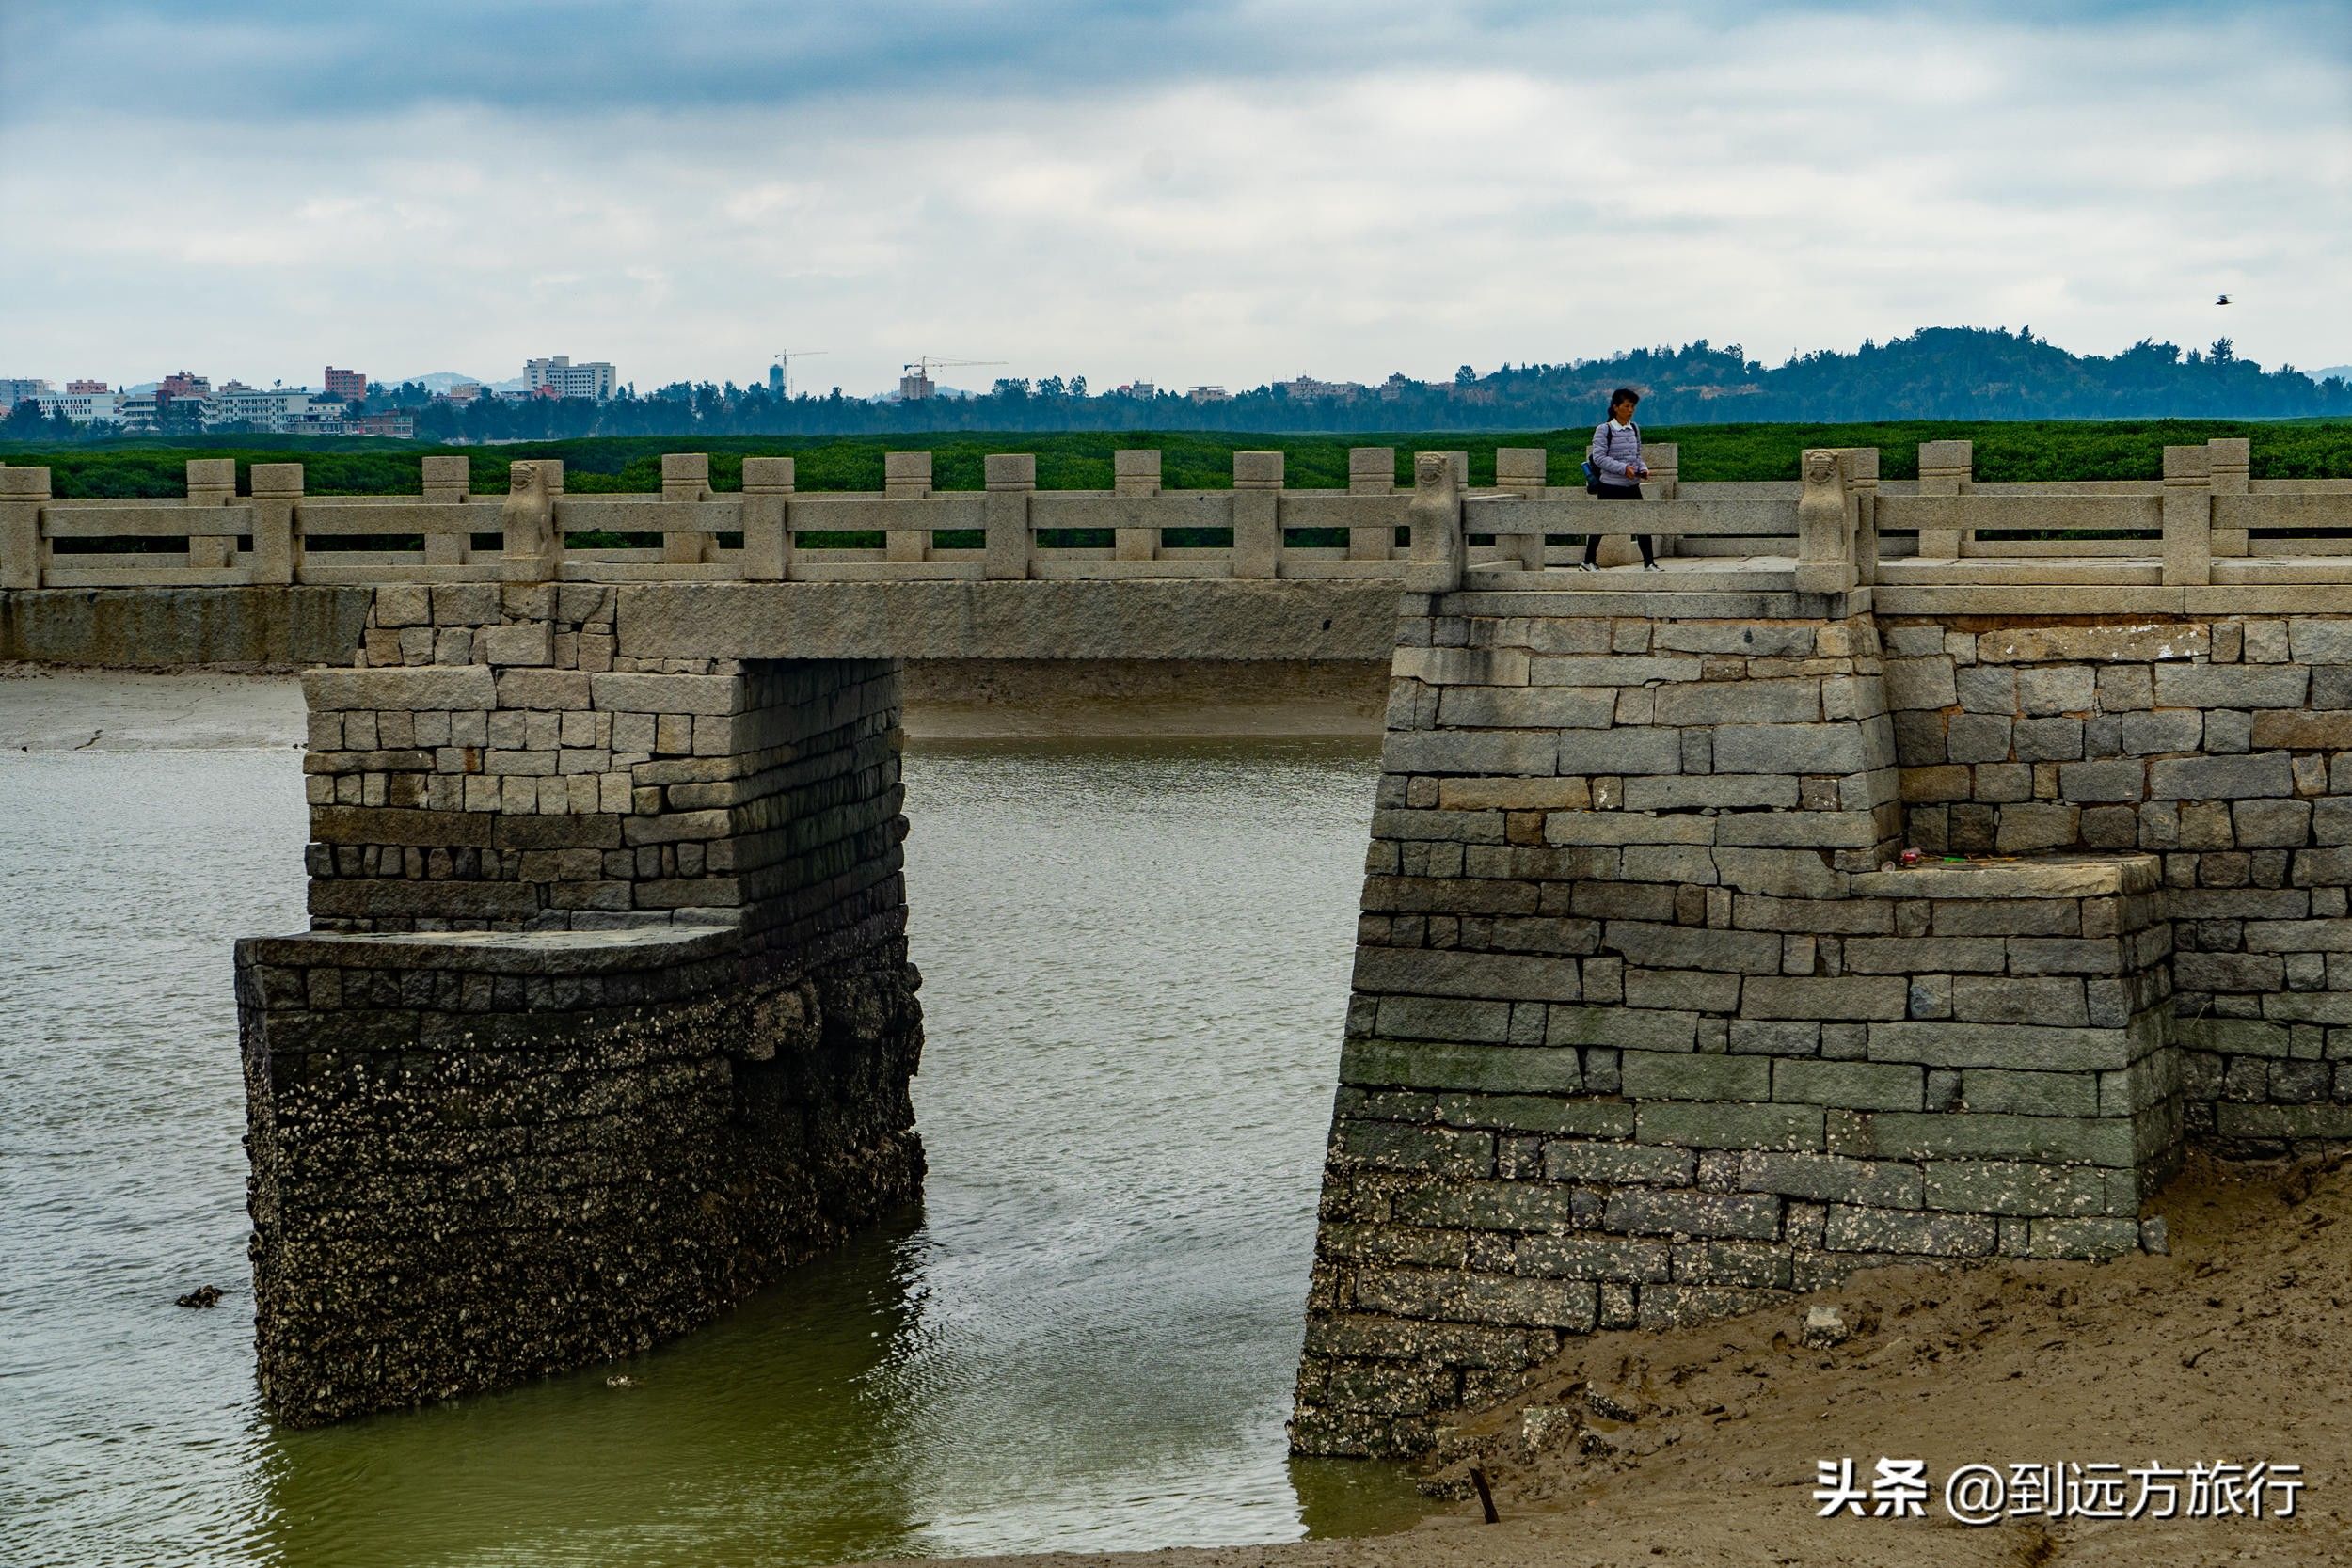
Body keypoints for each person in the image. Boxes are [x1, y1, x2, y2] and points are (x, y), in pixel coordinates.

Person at [1581, 387, 1656, 569]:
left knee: (1642, 525)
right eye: (1627, 406)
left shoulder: (1635, 429)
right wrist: (1623, 469)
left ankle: (1649, 563)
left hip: (1632, 485)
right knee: (1602, 525)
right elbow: (1599, 458)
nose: (1631, 410)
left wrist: (1642, 469)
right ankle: (1588, 561)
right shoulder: (1603, 430)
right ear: (1616, 407)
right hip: (1610, 485)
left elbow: (1637, 456)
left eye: (1633, 407)